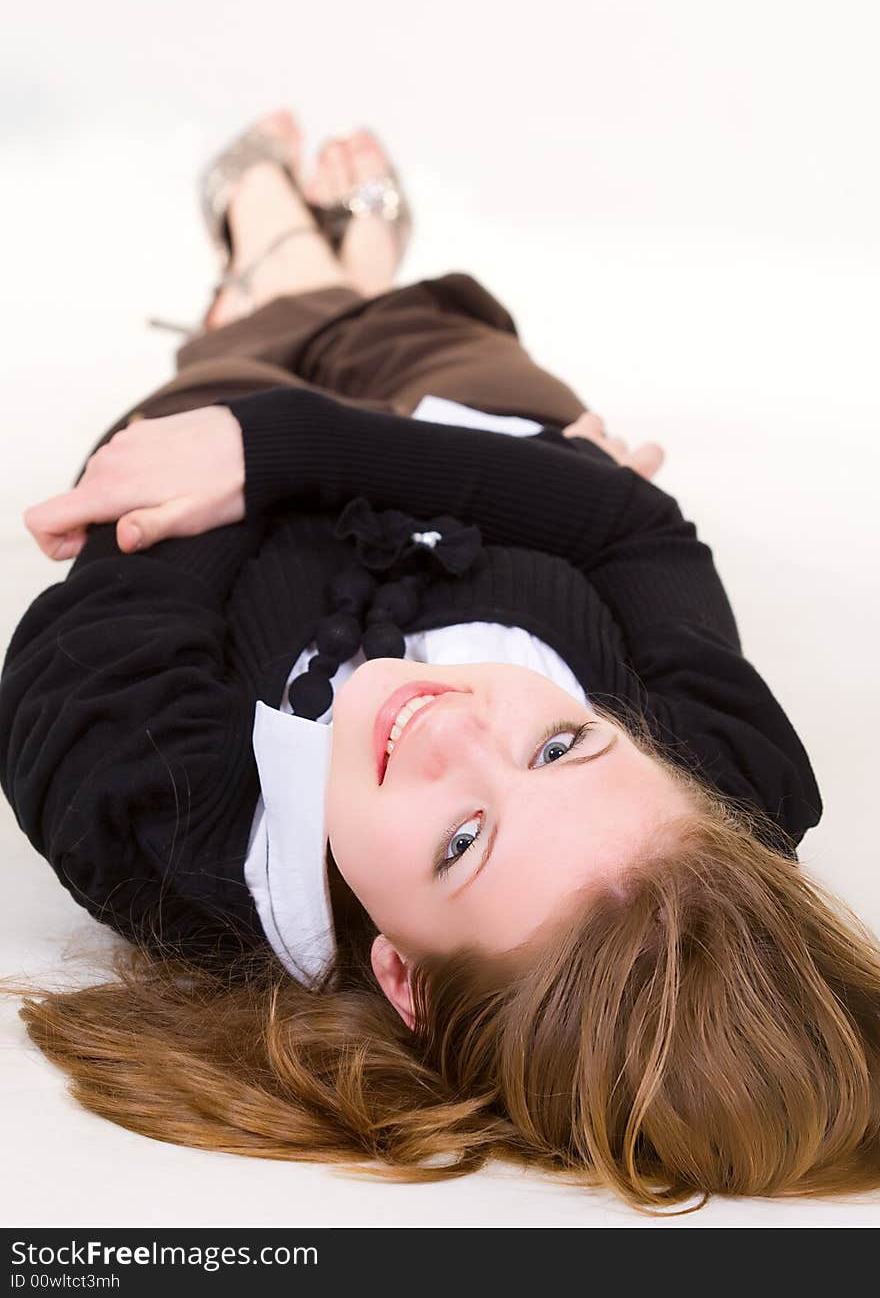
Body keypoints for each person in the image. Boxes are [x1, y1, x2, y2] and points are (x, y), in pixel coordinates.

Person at [1, 110, 878, 1217]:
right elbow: (637, 533)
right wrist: (293, 455)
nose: (453, 724)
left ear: (402, 979)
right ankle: (340, 274)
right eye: (561, 741)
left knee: (238, 359)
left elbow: (150, 516)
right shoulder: (724, 790)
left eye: (463, 842)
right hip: (479, 425)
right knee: (443, 347)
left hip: (366, 462)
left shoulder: (142, 810)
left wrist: (255, 442)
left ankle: (271, 256)